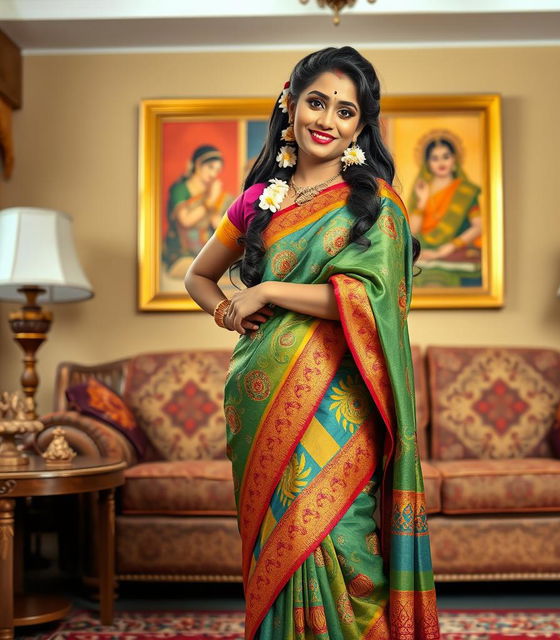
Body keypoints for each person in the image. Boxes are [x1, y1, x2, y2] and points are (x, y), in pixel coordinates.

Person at [184, 46, 441, 640]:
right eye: (317, 102)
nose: (328, 119)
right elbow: (197, 276)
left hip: (339, 396)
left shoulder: (374, 204)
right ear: (290, 104)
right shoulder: (256, 201)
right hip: (259, 392)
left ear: (361, 124)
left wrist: (269, 287)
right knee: (280, 536)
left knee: (341, 535)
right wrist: (225, 307)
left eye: (346, 111)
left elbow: (370, 303)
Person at [408, 136, 482, 288]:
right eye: (435, 158)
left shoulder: (465, 191)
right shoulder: (422, 189)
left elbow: (478, 227)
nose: (441, 162)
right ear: (428, 163)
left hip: (455, 252)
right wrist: (422, 201)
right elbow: (412, 231)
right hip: (423, 252)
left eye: (445, 157)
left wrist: (446, 249)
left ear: (454, 159)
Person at [163, 144, 233, 279]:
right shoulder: (180, 189)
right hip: (181, 254)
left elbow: (218, 226)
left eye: (217, 170)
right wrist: (210, 201)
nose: (213, 174)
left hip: (205, 252)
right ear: (197, 164)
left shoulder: (215, 194)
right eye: (210, 167)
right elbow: (185, 220)